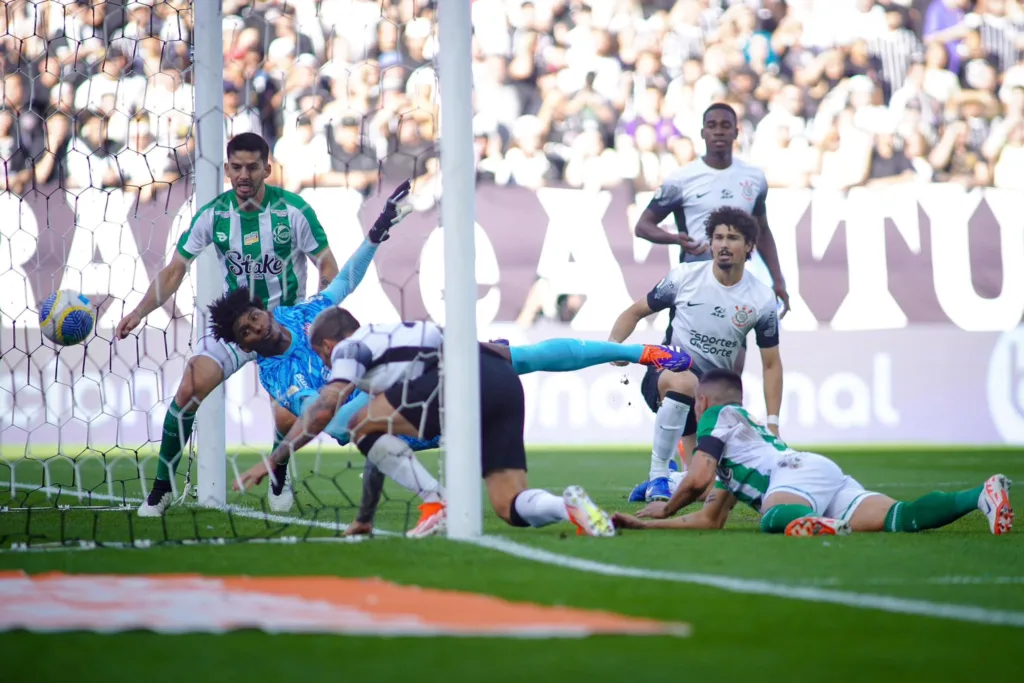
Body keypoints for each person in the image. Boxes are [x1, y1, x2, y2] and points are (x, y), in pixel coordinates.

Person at [233, 308, 693, 536]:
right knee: (509, 507)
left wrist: (276, 457)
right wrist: (365, 518)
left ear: (331, 343)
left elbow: (325, 409)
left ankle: (436, 501)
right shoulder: (409, 331)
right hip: (497, 380)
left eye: (321, 352)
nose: (325, 359)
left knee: (355, 426)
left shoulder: (352, 350)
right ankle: (568, 506)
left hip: (449, 387)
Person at [115, 133, 341, 517]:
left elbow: (328, 265)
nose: (244, 175)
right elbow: (175, 270)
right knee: (189, 387)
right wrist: (139, 312)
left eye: (252, 167)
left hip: (284, 329)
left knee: (286, 414)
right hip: (235, 327)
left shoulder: (293, 212)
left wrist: (318, 317)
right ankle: (161, 489)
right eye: (236, 167)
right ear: (227, 169)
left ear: (267, 169)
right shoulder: (214, 215)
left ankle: (279, 471)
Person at [205, 181, 413, 512]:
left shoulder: (296, 313)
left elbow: (343, 283)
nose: (257, 326)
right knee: (302, 419)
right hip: (371, 420)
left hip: (394, 390)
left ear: (264, 309)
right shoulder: (275, 374)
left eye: (255, 316)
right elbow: (328, 420)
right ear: (245, 345)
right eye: (246, 331)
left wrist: (376, 232)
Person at [612, 369, 1014, 538]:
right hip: (817, 470)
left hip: (791, 478)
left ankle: (813, 522)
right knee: (900, 516)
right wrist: (644, 526)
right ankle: (980, 494)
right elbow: (709, 520)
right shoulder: (741, 445)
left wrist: (665, 507)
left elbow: (696, 478)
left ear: (700, 401)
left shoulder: (715, 416)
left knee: (771, 517)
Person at [609, 205, 782, 503]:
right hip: (667, 376)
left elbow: (771, 364)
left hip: (711, 400)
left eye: (733, 238)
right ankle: (659, 476)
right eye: (718, 237)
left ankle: (675, 478)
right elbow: (635, 311)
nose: (723, 245)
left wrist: (773, 423)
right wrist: (615, 345)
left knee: (703, 489)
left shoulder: (762, 299)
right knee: (684, 380)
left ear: (749, 246)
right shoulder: (684, 277)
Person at [633, 102, 791, 375]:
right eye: (712, 126)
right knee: (681, 372)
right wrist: (676, 239)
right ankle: (664, 398)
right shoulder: (681, 179)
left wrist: (778, 280)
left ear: (736, 133)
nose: (718, 131)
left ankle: (718, 412)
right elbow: (643, 226)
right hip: (693, 284)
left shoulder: (753, 178)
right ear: (703, 133)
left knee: (728, 372)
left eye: (725, 126)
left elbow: (762, 230)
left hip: (735, 286)